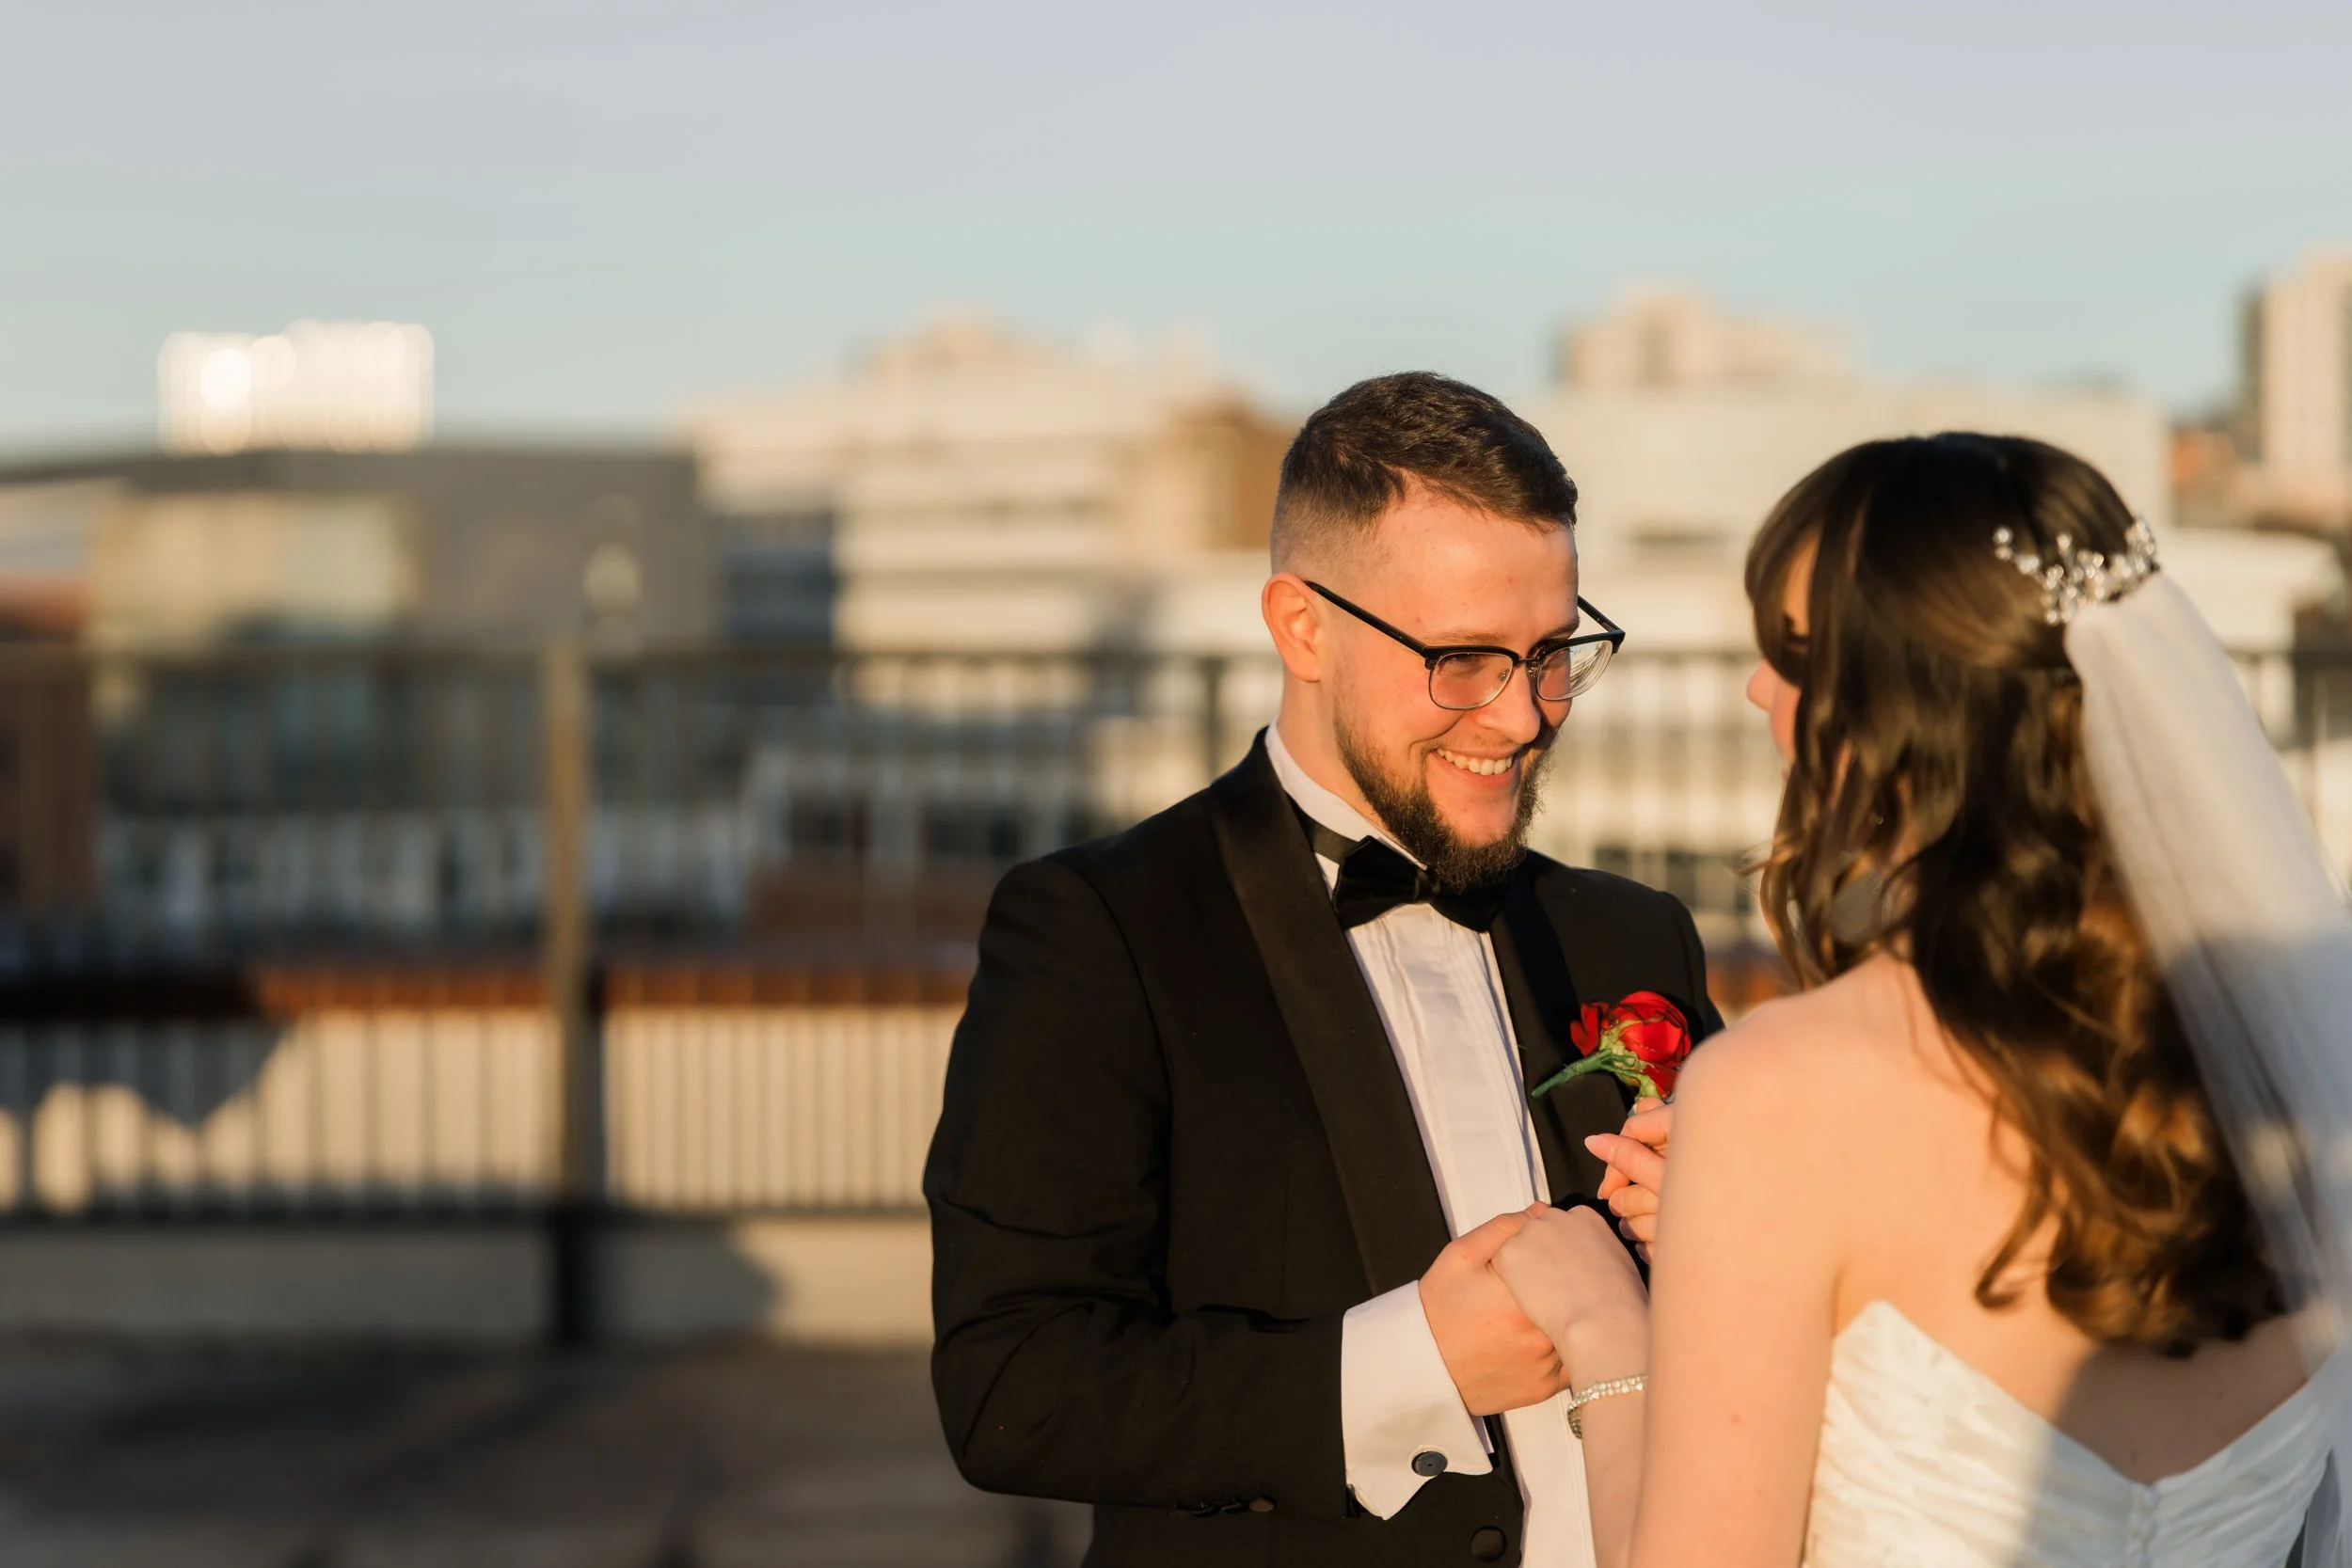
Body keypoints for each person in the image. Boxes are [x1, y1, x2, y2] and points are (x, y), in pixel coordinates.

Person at [1491, 432, 2340, 1567]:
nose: (1756, 688)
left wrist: (1607, 1330)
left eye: (1793, 653)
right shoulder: (2298, 1059)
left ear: (1905, 707)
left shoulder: (1782, 1089)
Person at [924, 371, 1723, 1567]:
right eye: (1461, 659)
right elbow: (1013, 1388)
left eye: (1553, 651)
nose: (1522, 715)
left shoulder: (1633, 934)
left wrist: (1715, 1226)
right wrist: (1416, 1365)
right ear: (1302, 627)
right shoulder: (1096, 931)